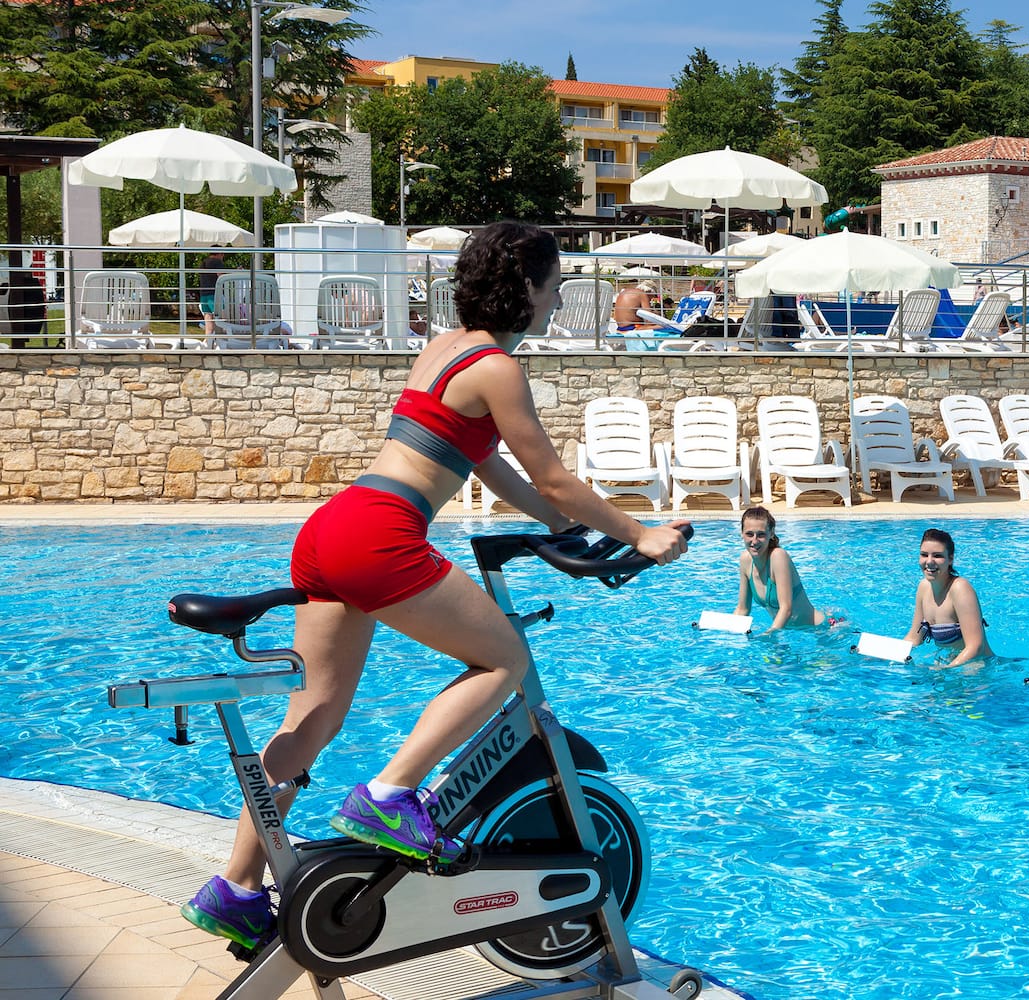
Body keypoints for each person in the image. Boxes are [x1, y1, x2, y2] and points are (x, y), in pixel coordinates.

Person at [178, 221, 691, 951]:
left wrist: (563, 524)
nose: (556, 299)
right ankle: (390, 795)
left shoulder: (446, 350)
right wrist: (640, 532)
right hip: (380, 534)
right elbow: (551, 472)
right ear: (531, 288)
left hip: (331, 529)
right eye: (553, 285)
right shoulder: (499, 368)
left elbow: (488, 466)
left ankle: (234, 888)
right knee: (505, 659)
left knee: (314, 717)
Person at [734, 506, 836, 632]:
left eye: (761, 535)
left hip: (821, 629)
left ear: (771, 533)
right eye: (749, 534)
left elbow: (786, 608)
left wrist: (768, 634)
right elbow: (742, 609)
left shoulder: (778, 556)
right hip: (789, 631)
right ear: (741, 533)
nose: (754, 541)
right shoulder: (745, 560)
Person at [900, 528, 990, 666]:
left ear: (950, 559)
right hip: (951, 664)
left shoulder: (960, 588)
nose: (929, 561)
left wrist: (946, 670)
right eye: (924, 555)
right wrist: (887, 655)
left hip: (978, 668)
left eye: (937, 556)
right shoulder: (923, 588)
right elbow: (914, 637)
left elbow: (975, 647)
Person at [196, 252, 226, 339]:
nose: (223, 256)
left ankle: (208, 343)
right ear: (218, 254)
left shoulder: (203, 263)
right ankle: (223, 341)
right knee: (222, 319)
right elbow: (221, 276)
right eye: (222, 254)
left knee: (209, 322)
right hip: (214, 294)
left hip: (204, 295)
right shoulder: (217, 262)